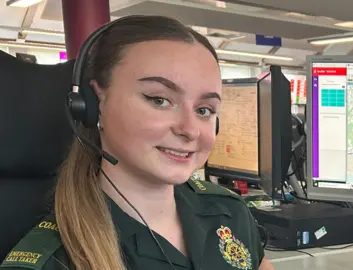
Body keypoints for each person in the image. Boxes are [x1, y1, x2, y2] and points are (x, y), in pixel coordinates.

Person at [0, 16, 274, 270]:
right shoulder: (54, 260)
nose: (190, 130)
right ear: (95, 104)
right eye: (159, 100)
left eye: (204, 110)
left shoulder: (230, 212)